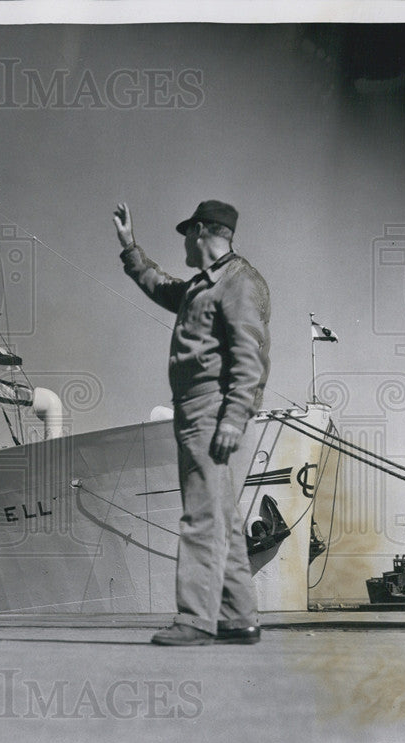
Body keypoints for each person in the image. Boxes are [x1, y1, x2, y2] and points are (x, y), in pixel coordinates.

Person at [113, 199, 271, 646]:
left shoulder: (239, 283)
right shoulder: (202, 286)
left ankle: (196, 620)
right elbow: (159, 285)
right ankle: (239, 618)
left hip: (214, 410)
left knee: (202, 515)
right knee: (221, 516)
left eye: (186, 232)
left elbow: (249, 357)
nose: (182, 240)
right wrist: (130, 247)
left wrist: (233, 417)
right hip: (196, 408)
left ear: (201, 231)